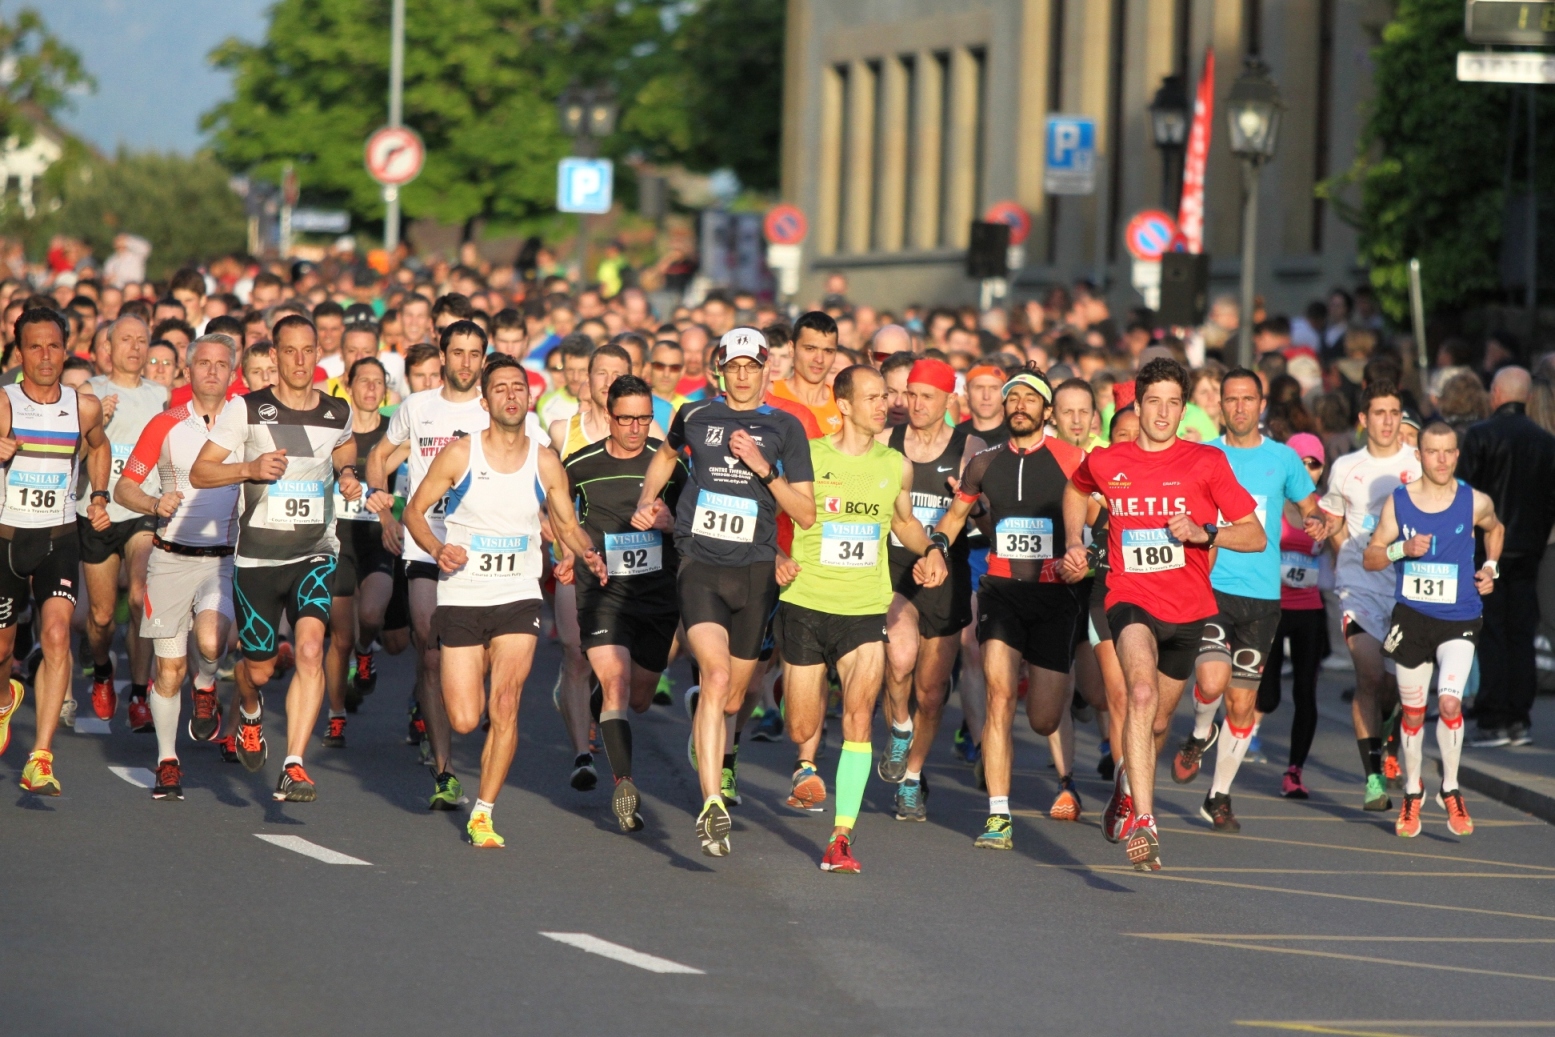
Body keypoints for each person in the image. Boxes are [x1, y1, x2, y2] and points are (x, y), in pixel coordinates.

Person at [1063, 358, 1265, 870]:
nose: (1162, 412)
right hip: (1129, 596)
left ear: (1184, 409)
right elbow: (1076, 487)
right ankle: (1145, 823)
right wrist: (1073, 540)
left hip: (1189, 609)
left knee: (1156, 724)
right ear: (1137, 405)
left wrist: (1206, 533)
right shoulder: (1108, 460)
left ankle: (1127, 785)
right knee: (1140, 694)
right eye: (1154, 401)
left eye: (1174, 403)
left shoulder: (1207, 462)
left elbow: (1255, 535)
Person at [403, 354, 605, 848]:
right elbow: (414, 512)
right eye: (501, 388)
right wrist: (437, 549)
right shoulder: (460, 454)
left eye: (519, 387)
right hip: (463, 594)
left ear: (529, 397)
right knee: (465, 717)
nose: (511, 395)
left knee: (507, 701)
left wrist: (586, 554)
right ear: (485, 400)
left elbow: (566, 524)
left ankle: (484, 813)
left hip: (518, 594)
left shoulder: (544, 460)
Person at [630, 328, 815, 857]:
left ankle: (705, 714)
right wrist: (647, 500)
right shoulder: (694, 414)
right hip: (700, 566)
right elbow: (666, 456)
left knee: (734, 697)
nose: (743, 375)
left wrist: (763, 467)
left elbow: (804, 513)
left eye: (752, 366)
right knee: (714, 677)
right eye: (734, 366)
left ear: (766, 370)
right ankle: (712, 803)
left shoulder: (786, 427)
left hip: (755, 571)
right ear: (720, 369)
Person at [779, 364, 946, 872]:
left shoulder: (895, 465)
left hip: (864, 607)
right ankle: (803, 756)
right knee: (802, 725)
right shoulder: (809, 456)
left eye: (886, 397)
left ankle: (841, 838)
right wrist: (776, 558)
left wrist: (931, 549)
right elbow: (775, 514)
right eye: (873, 397)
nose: (884, 405)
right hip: (807, 601)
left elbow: (904, 522)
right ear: (845, 404)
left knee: (858, 719)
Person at [190, 314, 363, 802]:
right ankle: (249, 711)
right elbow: (201, 472)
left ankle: (293, 765)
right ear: (275, 356)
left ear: (318, 354)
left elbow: (345, 443)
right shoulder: (246, 410)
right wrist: (249, 468)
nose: (300, 360)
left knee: (309, 650)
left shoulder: (337, 411)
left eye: (309, 350)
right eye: (290, 351)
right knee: (260, 670)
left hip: (314, 553)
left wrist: (347, 472)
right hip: (258, 561)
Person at [936, 369, 1093, 847]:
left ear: (1048, 411)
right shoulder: (983, 463)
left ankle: (1055, 711)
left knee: (1044, 717)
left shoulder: (1073, 460)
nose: (1020, 404)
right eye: (1013, 398)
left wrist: (1087, 557)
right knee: (1000, 696)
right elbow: (957, 516)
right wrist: (934, 550)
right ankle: (998, 815)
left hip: (1054, 596)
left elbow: (1105, 519)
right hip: (1001, 592)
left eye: (1030, 398)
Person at [1170, 369, 1323, 833]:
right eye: (1231, 399)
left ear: (1261, 405)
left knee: (1241, 706)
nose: (1239, 407)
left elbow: (1310, 507)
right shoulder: (1202, 454)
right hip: (1211, 586)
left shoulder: (1283, 458)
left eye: (1248, 399)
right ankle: (1200, 732)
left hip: (1262, 597)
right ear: (1220, 405)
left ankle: (1218, 796)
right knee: (1211, 680)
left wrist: (1320, 521)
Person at [365, 320, 491, 810]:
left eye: (474, 353)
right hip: (424, 543)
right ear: (443, 355)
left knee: (475, 658)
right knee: (430, 649)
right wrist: (385, 512)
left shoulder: (494, 408)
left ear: (484, 358)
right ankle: (444, 770)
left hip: (480, 548)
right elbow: (380, 456)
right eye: (457, 352)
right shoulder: (418, 407)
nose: (465, 362)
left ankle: (459, 706)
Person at [115, 333, 241, 799]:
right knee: (168, 671)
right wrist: (154, 502)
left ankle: (205, 684)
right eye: (203, 363)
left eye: (221, 364)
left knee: (210, 642)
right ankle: (167, 761)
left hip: (222, 560)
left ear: (232, 373)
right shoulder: (165, 423)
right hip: (170, 560)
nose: (212, 371)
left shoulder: (245, 422)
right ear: (188, 371)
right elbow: (125, 487)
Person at [1363, 420, 1503, 837]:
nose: (1441, 461)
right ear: (1419, 455)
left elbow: (1496, 529)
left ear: (1457, 455)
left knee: (1449, 704)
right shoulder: (1399, 502)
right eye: (1432, 452)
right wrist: (1401, 548)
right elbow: (1371, 557)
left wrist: (1491, 567)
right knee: (1411, 712)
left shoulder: (1475, 501)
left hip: (1460, 617)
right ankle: (1412, 792)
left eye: (1448, 452)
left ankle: (1451, 788)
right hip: (1412, 619)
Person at [562, 374, 687, 832]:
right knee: (616, 680)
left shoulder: (669, 463)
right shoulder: (580, 465)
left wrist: (671, 522)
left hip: (657, 594)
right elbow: (559, 515)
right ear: (608, 416)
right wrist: (569, 552)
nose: (635, 428)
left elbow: (693, 520)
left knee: (639, 698)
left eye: (644, 419)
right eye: (626, 419)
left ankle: (598, 701)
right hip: (603, 591)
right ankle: (624, 786)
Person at [0, 308, 112, 795]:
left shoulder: (83, 406)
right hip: (6, 538)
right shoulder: (4, 403)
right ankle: (5, 698)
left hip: (58, 536)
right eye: (35, 347)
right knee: (2, 649)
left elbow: (99, 446)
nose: (45, 356)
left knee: (57, 633)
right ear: (19, 353)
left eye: (54, 346)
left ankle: (40, 757)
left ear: (66, 350)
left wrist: (99, 496)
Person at [879, 359, 984, 822]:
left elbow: (984, 514)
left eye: (927, 396)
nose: (916, 404)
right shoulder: (887, 441)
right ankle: (900, 728)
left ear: (949, 401)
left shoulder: (969, 448)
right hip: (895, 568)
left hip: (946, 572)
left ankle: (912, 778)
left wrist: (972, 502)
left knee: (933, 691)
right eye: (911, 394)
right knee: (899, 658)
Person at [1314, 381, 1421, 810]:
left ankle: (1390, 735)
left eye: (1395, 412)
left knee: (1397, 686)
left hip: (1407, 588)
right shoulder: (1345, 466)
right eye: (1379, 413)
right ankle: (1373, 776)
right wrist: (1334, 538)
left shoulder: (1417, 462)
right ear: (1363, 419)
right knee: (1371, 676)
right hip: (1359, 587)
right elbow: (1334, 515)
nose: (1388, 421)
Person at [1457, 366, 1555, 747]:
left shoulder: (1481, 435)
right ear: (1527, 397)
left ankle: (1494, 716)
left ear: (1495, 394)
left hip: (1488, 548)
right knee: (1521, 632)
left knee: (1493, 631)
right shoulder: (1546, 442)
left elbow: (1466, 493)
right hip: (1529, 549)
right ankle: (1518, 717)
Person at [83, 315, 169, 731]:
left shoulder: (160, 395)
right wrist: (91, 422)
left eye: (141, 341)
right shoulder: (89, 392)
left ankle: (138, 694)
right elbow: (72, 453)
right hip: (98, 512)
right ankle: (102, 670)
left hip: (141, 510)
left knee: (139, 597)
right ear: (108, 347)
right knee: (101, 618)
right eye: (125, 340)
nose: (134, 348)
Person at [322, 356, 397, 748]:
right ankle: (336, 716)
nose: (371, 388)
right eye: (363, 381)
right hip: (339, 542)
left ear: (385, 390)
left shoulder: (392, 435)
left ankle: (367, 651)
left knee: (371, 615)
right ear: (348, 386)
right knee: (340, 638)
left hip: (377, 539)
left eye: (378, 382)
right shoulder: (335, 432)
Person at [1254, 432, 1331, 800]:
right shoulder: (1270, 501)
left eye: (1314, 464)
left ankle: (1294, 771)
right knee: (1267, 698)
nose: (1306, 469)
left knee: (1305, 692)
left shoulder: (1326, 509)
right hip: (1272, 608)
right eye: (1300, 462)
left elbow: (1345, 545)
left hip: (1309, 610)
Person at [764, 311, 842, 438]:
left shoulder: (844, 403)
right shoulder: (767, 396)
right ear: (791, 348)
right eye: (810, 349)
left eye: (828, 351)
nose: (819, 359)